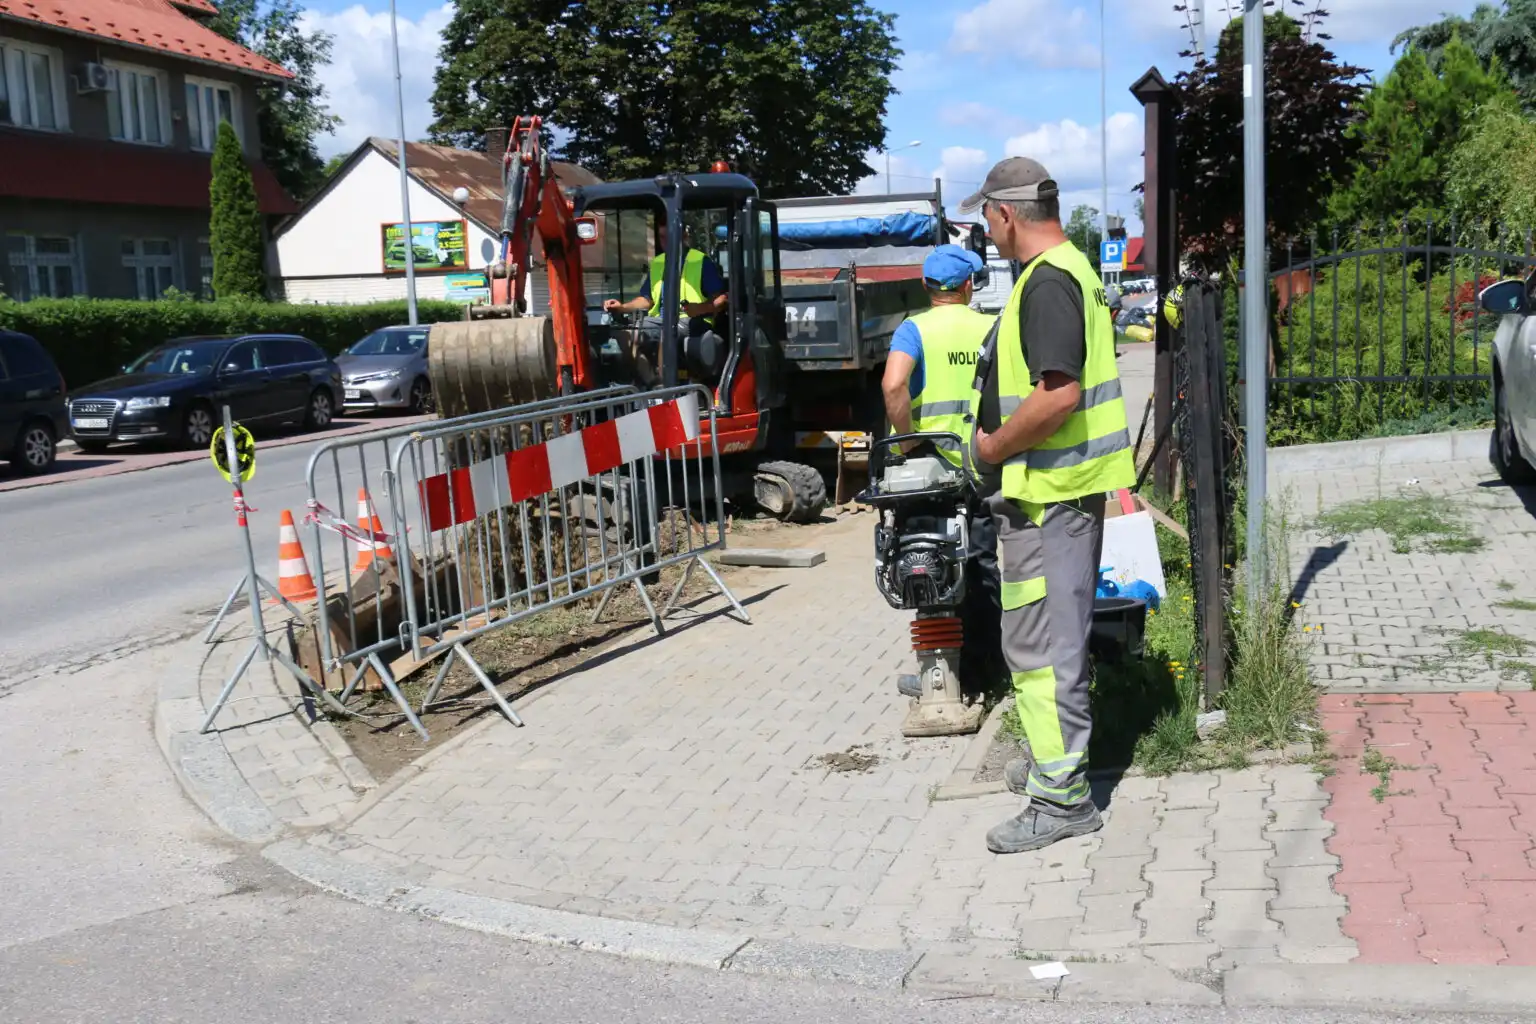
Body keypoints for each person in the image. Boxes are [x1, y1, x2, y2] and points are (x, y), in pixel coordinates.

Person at [957, 157, 1137, 854]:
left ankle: (1062, 799)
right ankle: (1051, 763)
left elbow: (1058, 396)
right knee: (1039, 642)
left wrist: (991, 447)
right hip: (1051, 496)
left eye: (986, 218)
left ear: (1006, 213)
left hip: (1050, 498)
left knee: (1043, 647)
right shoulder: (1067, 271)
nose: (986, 231)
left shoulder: (1048, 281)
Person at [881, 244, 1005, 698]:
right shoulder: (991, 328)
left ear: (926, 286)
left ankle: (942, 675)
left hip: (928, 472)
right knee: (981, 564)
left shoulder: (913, 330)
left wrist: (906, 438)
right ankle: (989, 668)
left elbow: (893, 384)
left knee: (927, 566)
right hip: (983, 466)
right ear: (969, 285)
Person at [602, 220, 728, 330]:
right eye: (662, 237)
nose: (666, 242)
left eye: (670, 237)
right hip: (659, 321)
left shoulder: (700, 261)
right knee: (627, 333)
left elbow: (721, 300)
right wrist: (622, 307)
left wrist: (699, 309)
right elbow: (646, 300)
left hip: (693, 321)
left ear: (683, 236)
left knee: (665, 336)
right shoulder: (658, 262)